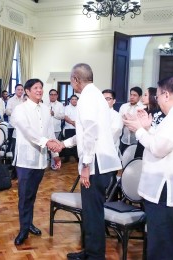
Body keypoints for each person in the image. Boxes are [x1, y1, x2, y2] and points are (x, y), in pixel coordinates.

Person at [123, 77, 173, 260]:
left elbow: (159, 148)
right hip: (165, 188)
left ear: (166, 95)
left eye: (157, 96)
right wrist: (149, 129)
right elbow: (162, 142)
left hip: (166, 190)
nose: (156, 100)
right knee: (164, 242)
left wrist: (139, 131)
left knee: (162, 246)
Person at [58, 63, 122, 260]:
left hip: (96, 165)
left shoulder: (86, 98)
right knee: (91, 212)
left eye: (71, 79)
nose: (71, 83)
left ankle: (95, 256)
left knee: (93, 213)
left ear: (76, 79)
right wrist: (63, 144)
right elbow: (85, 132)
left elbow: (90, 134)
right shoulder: (96, 96)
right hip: (101, 163)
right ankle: (90, 251)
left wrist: (85, 166)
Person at [10, 78, 61, 246]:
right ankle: (23, 229)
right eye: (36, 88)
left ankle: (29, 223)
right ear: (27, 91)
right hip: (25, 160)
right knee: (24, 196)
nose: (40, 90)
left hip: (40, 159)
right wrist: (47, 143)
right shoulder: (20, 109)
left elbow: (50, 131)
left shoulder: (46, 109)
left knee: (32, 195)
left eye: (41, 88)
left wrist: (55, 155)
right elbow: (28, 131)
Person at [134, 87, 165, 158]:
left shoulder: (159, 113)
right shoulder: (143, 111)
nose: (143, 97)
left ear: (153, 97)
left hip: (151, 144)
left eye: (145, 95)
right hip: (141, 142)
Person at [119, 86, 143, 154]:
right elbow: (119, 121)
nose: (132, 97)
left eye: (135, 95)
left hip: (137, 142)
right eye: (131, 95)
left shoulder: (143, 108)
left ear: (140, 97)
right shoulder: (124, 106)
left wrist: (127, 120)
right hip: (124, 140)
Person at [102, 89, 123, 155]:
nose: (104, 101)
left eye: (108, 99)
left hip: (109, 151)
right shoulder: (96, 114)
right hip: (95, 151)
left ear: (114, 101)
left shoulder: (116, 116)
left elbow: (113, 135)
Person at [48, 89, 65, 169]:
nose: (53, 96)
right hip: (47, 129)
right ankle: (46, 163)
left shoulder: (60, 105)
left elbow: (62, 116)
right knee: (46, 147)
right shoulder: (44, 104)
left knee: (54, 147)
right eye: (51, 94)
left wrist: (54, 114)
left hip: (56, 129)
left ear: (57, 96)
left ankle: (54, 164)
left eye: (55, 94)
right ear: (49, 95)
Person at [5, 84, 24, 153]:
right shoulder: (11, 100)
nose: (20, 91)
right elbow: (7, 111)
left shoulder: (25, 100)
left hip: (22, 126)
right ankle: (11, 161)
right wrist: (16, 113)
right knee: (12, 144)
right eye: (18, 89)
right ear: (15, 90)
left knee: (21, 145)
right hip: (12, 126)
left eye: (22, 90)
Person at [62, 95, 79, 163]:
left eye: (76, 99)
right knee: (68, 143)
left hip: (78, 129)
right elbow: (65, 117)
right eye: (73, 99)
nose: (74, 100)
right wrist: (72, 123)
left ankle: (77, 157)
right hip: (69, 128)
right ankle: (66, 157)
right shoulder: (66, 108)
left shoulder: (80, 107)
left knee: (78, 143)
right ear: (70, 100)